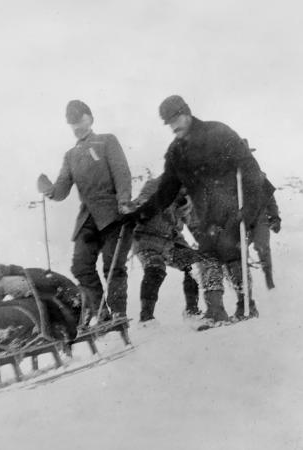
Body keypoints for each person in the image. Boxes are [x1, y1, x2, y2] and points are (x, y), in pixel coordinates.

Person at [122, 96, 275, 327]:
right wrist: (140, 214)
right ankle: (215, 311)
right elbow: (166, 191)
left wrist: (250, 209)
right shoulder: (176, 151)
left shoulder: (218, 132)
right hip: (206, 212)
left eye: (176, 119)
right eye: (169, 123)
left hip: (233, 205)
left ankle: (246, 305)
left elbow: (250, 169)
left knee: (229, 251)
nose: (174, 126)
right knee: (207, 254)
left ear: (188, 112)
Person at [37, 100, 133, 325]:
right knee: (80, 266)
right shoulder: (70, 155)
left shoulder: (107, 141)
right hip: (88, 219)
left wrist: (124, 200)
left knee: (113, 266)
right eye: (73, 124)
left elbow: (121, 172)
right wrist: (48, 189)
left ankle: (118, 314)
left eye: (80, 121)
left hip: (114, 213)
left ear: (90, 118)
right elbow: (61, 190)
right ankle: (102, 312)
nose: (77, 127)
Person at [131, 176, 202, 324]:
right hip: (146, 237)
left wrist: (206, 241)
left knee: (193, 265)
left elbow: (195, 225)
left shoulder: (190, 194)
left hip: (171, 240)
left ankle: (192, 310)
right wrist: (140, 208)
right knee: (155, 269)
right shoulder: (156, 184)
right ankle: (146, 317)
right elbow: (141, 203)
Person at [250, 187, 281, 290]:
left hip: (260, 219)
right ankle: (242, 284)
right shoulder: (231, 177)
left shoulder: (259, 178)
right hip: (239, 220)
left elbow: (270, 200)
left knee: (262, 245)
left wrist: (275, 217)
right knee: (236, 249)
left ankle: (268, 275)